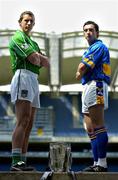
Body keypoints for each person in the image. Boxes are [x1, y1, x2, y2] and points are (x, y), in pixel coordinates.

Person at [9, 11, 49, 171]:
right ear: (20, 22)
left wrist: (37, 56)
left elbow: (46, 62)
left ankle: (22, 160)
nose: (29, 23)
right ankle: (15, 161)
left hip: (33, 79)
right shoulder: (17, 37)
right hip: (23, 76)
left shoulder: (33, 43)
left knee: (29, 124)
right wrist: (37, 57)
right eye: (26, 20)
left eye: (31, 21)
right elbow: (35, 60)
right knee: (23, 120)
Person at [76, 21, 111, 172]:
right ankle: (96, 162)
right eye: (85, 30)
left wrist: (79, 70)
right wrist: (80, 71)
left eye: (91, 30)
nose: (88, 32)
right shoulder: (90, 48)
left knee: (98, 126)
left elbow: (83, 66)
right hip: (88, 86)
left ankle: (102, 164)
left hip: (96, 84)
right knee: (90, 130)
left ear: (97, 33)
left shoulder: (99, 46)